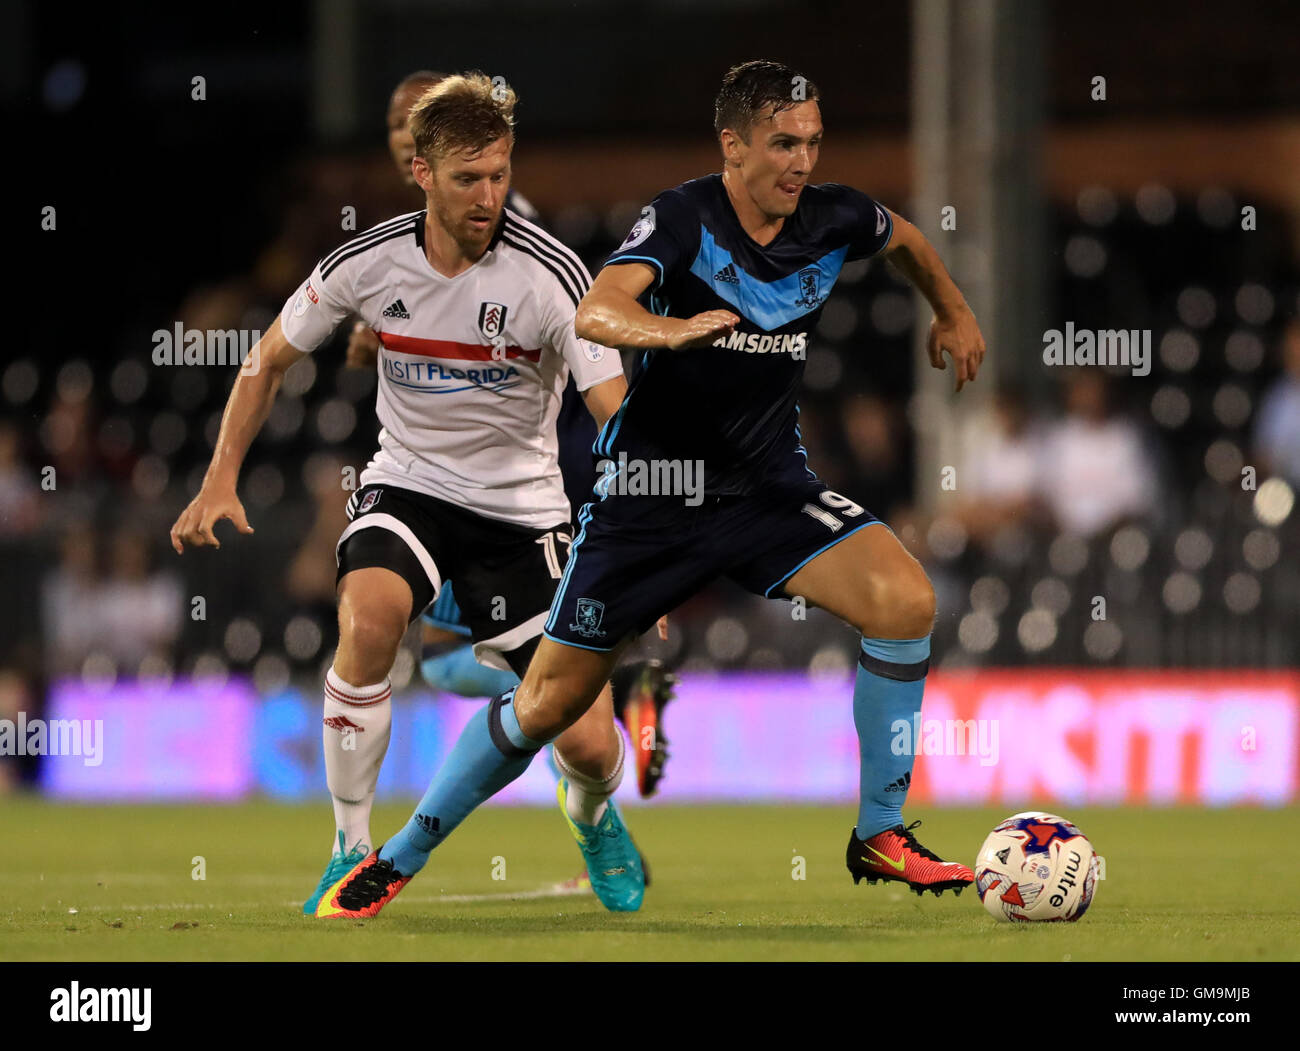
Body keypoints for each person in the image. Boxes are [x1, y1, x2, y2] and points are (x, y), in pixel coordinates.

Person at [325, 59, 986, 918]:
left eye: (812, 143)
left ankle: (880, 831)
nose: (801, 161)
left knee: (905, 600)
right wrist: (668, 333)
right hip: (649, 501)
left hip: (765, 491)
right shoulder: (683, 218)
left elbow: (901, 236)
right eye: (783, 143)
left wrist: (954, 309)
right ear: (734, 144)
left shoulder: (833, 217)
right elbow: (598, 310)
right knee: (546, 709)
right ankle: (398, 856)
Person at [170, 72, 648, 917]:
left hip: (521, 513)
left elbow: (614, 409)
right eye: (470, 178)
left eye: (500, 175)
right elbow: (268, 357)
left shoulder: (555, 275)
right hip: (410, 486)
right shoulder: (368, 258)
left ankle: (593, 811)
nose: (489, 195)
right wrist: (218, 477)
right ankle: (349, 849)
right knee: (368, 619)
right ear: (421, 172)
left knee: (585, 739)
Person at [354, 72, 677, 813]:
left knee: (442, 658)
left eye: (414, 122)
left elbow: (542, 317)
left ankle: (592, 697)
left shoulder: (497, 220)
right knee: (446, 655)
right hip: (496, 458)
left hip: (529, 459)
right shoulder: (424, 228)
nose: (403, 135)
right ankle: (594, 695)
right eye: (396, 126)